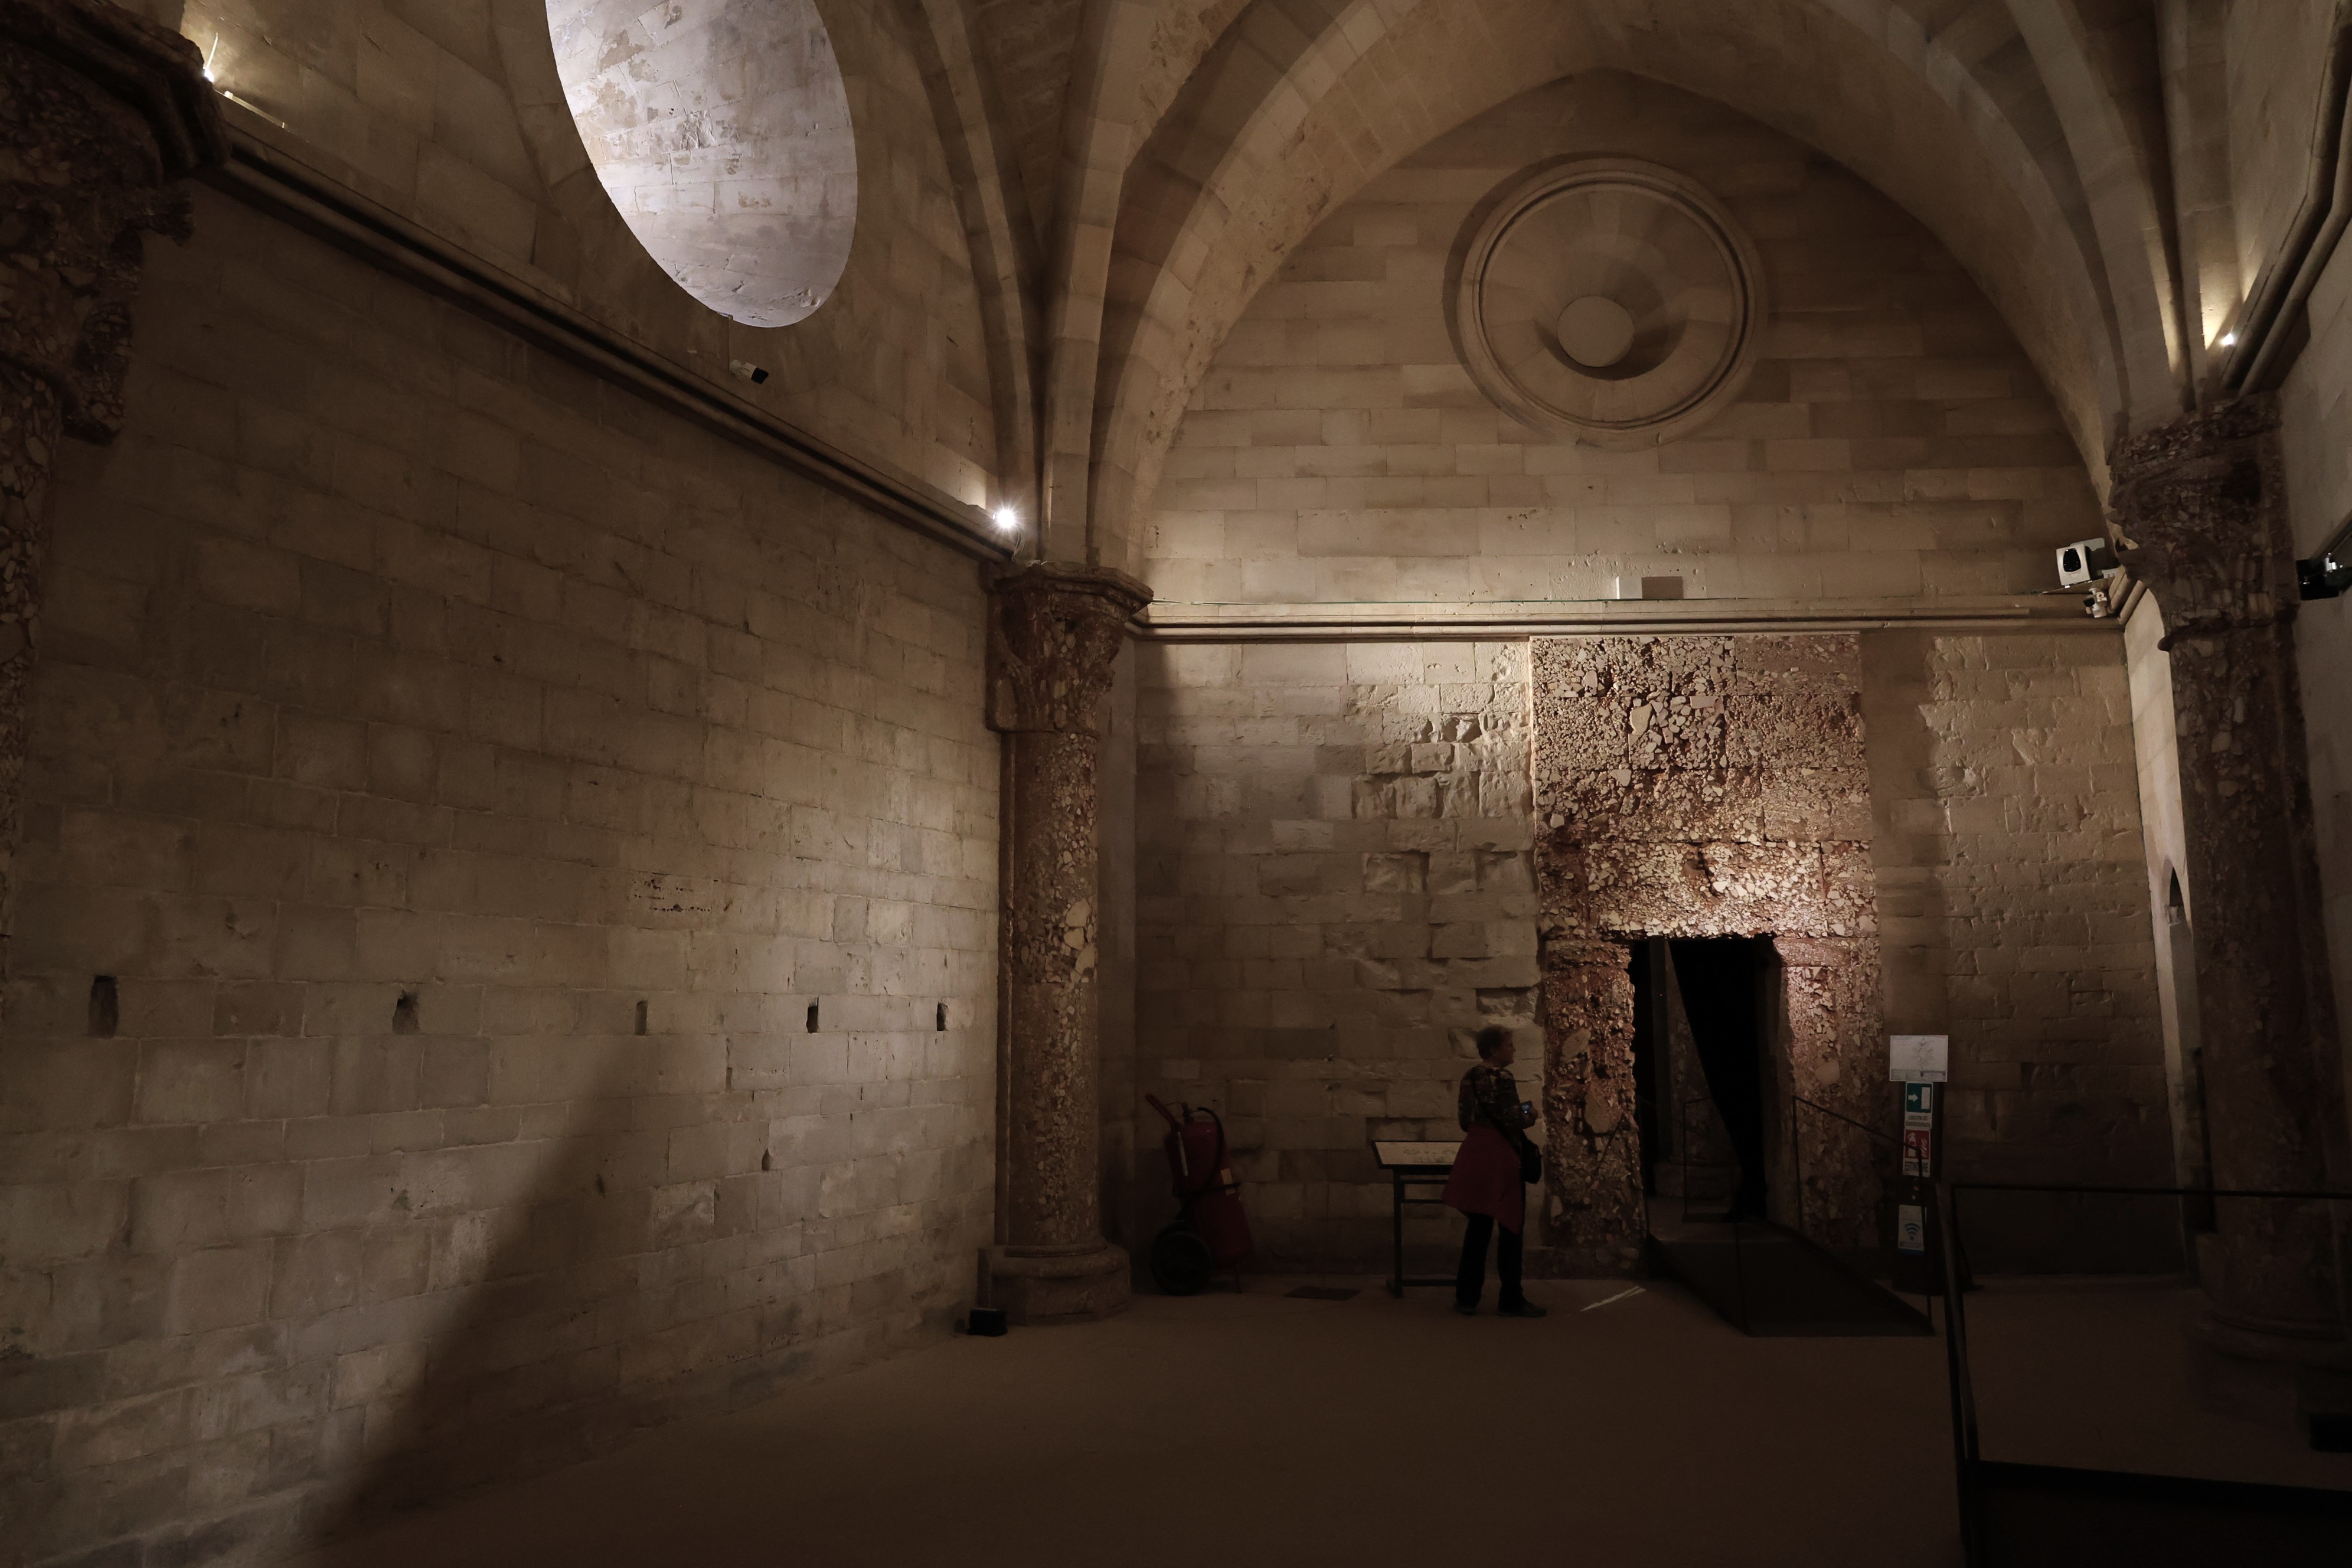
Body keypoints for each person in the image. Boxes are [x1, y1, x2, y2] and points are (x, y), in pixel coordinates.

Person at [1442, 1025, 1547, 1318]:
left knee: (1478, 1229)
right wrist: (1532, 1115)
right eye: (1510, 1046)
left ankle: (1467, 1298)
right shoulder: (1503, 1078)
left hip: (1476, 1155)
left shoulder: (1469, 1077)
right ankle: (1511, 1298)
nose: (1514, 1050)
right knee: (1511, 1228)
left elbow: (1464, 1120)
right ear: (1494, 1050)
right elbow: (1513, 1118)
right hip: (1501, 1158)